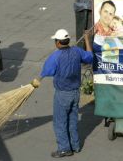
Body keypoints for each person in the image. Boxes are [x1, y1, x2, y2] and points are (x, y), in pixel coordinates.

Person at [36, 29, 93, 158]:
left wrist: (36, 82)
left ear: (57, 43)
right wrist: (87, 39)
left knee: (60, 122)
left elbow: (46, 72)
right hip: (75, 93)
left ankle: (64, 149)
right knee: (72, 120)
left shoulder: (55, 57)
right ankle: (75, 146)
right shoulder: (77, 51)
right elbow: (90, 57)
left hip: (62, 95)